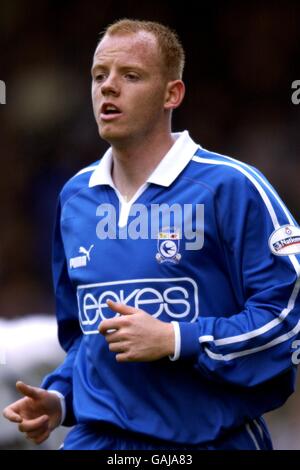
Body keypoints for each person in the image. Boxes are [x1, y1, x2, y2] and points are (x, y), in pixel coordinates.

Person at [3, 18, 300, 451]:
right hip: (97, 442)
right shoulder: (75, 198)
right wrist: (63, 398)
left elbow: (286, 318)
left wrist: (176, 339)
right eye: (98, 75)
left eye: (130, 75)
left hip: (208, 442)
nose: (108, 87)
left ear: (171, 94)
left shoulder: (232, 187)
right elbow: (87, 339)